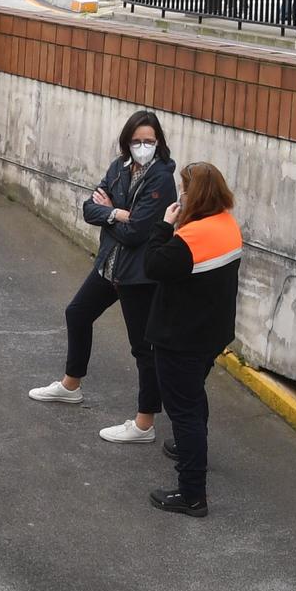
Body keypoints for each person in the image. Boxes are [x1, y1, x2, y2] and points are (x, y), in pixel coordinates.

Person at [26, 112, 177, 443]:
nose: (143, 147)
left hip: (139, 276)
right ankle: (70, 385)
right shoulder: (119, 167)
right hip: (110, 267)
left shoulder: (162, 179)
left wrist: (113, 215)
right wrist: (115, 213)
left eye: (149, 141)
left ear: (159, 143)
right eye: (137, 141)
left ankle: (144, 423)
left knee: (143, 348)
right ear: (127, 142)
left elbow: (139, 233)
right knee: (77, 313)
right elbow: (88, 208)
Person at [139, 162, 242, 517]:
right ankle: (192, 449)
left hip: (180, 338)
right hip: (211, 335)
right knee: (194, 398)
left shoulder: (190, 238)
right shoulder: (227, 226)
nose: (180, 194)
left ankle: (192, 494)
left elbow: (152, 264)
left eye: (184, 188)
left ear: (194, 194)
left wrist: (164, 225)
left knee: (183, 411)